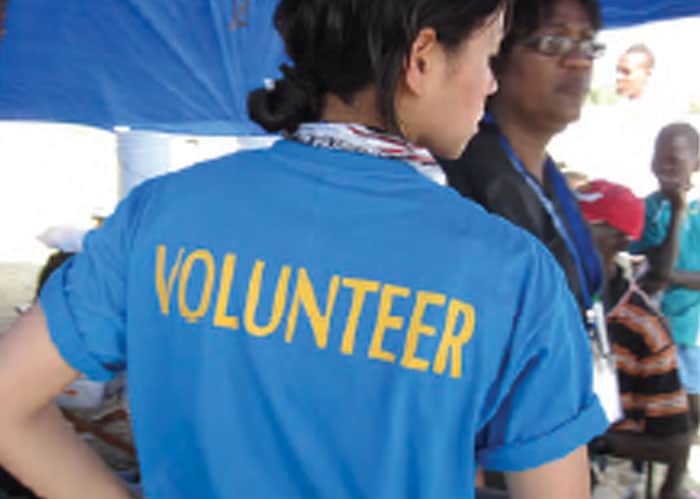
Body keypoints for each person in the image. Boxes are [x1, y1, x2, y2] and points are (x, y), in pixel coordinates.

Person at [0, 1, 608, 498]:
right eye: (488, 53)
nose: (492, 81)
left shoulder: (161, 216)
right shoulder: (514, 274)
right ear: (421, 59)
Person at [578, 179, 695, 499]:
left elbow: (674, 442)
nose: (567, 231)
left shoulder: (642, 326)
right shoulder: (546, 298)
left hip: (610, 470)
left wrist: (592, 441)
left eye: (584, 224)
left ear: (618, 240)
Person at [630, 123, 700, 442]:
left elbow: (658, 275)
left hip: (691, 331)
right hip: (655, 329)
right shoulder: (648, 209)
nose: (664, 166)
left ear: (696, 162)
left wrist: (666, 278)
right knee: (663, 416)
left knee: (691, 412)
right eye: (659, 157)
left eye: (674, 158)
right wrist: (675, 209)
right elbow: (655, 267)